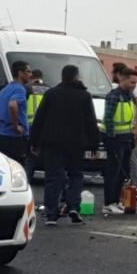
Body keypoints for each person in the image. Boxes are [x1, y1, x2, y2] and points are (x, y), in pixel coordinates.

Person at [30, 65, 99, 226]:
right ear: (76, 77)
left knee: (53, 177)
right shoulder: (84, 96)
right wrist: (94, 144)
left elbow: (39, 119)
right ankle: (73, 206)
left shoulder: (51, 94)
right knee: (75, 175)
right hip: (76, 144)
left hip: (53, 143)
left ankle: (51, 213)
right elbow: (91, 121)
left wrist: (34, 142)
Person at [101, 67, 137, 215]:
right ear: (123, 79)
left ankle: (118, 201)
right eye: (132, 82)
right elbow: (108, 118)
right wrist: (111, 137)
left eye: (135, 82)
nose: (134, 85)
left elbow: (130, 117)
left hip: (126, 138)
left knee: (122, 173)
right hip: (115, 139)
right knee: (113, 172)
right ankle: (109, 203)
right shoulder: (114, 96)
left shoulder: (129, 96)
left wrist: (133, 134)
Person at [111, 62, 137, 203]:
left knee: (132, 158)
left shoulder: (136, 86)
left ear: (120, 75)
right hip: (123, 130)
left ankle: (135, 187)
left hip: (131, 128)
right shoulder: (121, 88)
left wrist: (136, 127)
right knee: (124, 159)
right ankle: (123, 189)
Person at [0, 61, 33, 166]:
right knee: (17, 169)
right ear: (20, 73)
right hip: (14, 138)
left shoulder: (7, 88)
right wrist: (16, 125)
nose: (31, 75)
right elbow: (13, 104)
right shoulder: (20, 89)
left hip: (2, 136)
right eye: (28, 71)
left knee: (4, 167)